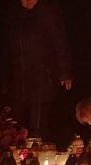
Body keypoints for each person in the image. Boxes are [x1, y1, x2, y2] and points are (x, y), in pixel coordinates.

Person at [7, 0, 73, 138]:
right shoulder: (15, 10)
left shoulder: (47, 8)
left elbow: (59, 39)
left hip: (42, 74)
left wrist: (65, 71)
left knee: (38, 124)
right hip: (19, 75)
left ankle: (37, 146)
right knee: (14, 124)